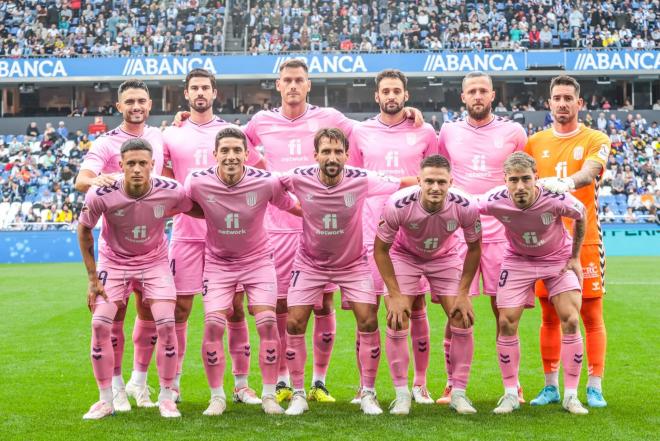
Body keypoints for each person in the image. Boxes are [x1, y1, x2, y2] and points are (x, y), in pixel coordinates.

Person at [242, 59, 424, 403]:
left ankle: (319, 382)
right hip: (280, 227)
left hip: (332, 226)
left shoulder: (332, 118)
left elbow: (373, 127)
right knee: (284, 307)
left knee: (325, 304)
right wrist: (262, 166)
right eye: (287, 80)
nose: (293, 85)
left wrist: (406, 114)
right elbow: (235, 141)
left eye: (299, 80)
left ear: (308, 84)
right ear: (278, 85)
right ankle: (283, 381)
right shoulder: (260, 121)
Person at [279, 128, 415, 416]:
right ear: (315, 155)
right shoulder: (298, 176)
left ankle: (368, 392)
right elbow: (268, 187)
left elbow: (402, 182)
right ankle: (299, 394)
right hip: (310, 262)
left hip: (352, 263)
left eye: (337, 151)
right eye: (326, 151)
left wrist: (433, 184)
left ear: (346, 154)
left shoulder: (361, 179)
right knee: (294, 322)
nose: (332, 157)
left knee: (367, 321)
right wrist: (292, 208)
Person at [162, 68, 263, 404]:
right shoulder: (171, 135)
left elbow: (260, 173)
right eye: (194, 88)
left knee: (234, 309)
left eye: (206, 87)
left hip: (230, 237)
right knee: (180, 310)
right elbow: (166, 185)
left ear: (215, 93)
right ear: (186, 95)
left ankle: (241, 384)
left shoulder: (232, 132)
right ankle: (172, 383)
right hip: (187, 236)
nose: (200, 92)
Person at [184, 127, 300, 416]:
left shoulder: (266, 182)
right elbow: (181, 204)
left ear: (247, 154)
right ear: (215, 155)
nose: (231, 156)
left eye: (237, 150)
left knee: (268, 324)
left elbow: (292, 205)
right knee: (213, 325)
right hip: (218, 264)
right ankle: (217, 397)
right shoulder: (197, 182)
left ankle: (270, 395)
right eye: (225, 150)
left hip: (258, 262)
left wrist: (320, 214)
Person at [78, 139, 193, 419]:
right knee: (100, 324)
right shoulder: (101, 193)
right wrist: (93, 278)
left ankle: (167, 397)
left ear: (153, 165)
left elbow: (195, 208)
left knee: (167, 323)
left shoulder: (171, 190)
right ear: (121, 166)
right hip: (114, 262)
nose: (138, 169)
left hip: (154, 263)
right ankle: (106, 399)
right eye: (131, 163)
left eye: (143, 163)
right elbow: (83, 231)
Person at [348, 69, 438, 404]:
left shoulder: (425, 131)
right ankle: (364, 385)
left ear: (406, 94)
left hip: (413, 233)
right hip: (371, 231)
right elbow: (354, 181)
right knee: (366, 310)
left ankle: (420, 382)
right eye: (385, 91)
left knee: (416, 307)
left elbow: (437, 179)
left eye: (397, 91)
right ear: (376, 96)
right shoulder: (360, 131)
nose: (391, 96)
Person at [437, 71, 528, 404]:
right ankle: (452, 384)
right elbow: (438, 174)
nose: (477, 96)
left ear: (493, 95)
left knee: (504, 313)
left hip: (503, 236)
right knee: (457, 313)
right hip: (459, 235)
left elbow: (527, 180)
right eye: (471, 91)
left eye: (483, 91)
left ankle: (513, 384)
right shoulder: (448, 132)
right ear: (462, 97)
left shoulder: (514, 132)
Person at [75, 79, 165, 411]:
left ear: (150, 104)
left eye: (141, 100)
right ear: (119, 107)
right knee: (115, 316)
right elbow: (82, 179)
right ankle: (114, 388)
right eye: (130, 102)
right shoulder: (106, 142)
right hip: (116, 249)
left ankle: (139, 383)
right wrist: (102, 179)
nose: (136, 106)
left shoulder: (158, 136)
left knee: (150, 312)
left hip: (153, 245)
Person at [525, 75, 610, 408]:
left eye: (567, 98)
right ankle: (550, 386)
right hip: (544, 243)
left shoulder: (595, 138)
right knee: (549, 316)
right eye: (556, 98)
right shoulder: (534, 143)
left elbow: (589, 173)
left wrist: (563, 183)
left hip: (584, 240)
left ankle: (595, 385)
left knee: (590, 314)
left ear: (580, 103)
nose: (562, 103)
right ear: (549, 104)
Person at [481, 152, 589, 415]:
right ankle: (510, 394)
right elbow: (463, 207)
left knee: (572, 320)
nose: (520, 186)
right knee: (506, 321)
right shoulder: (494, 199)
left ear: (536, 178)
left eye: (526, 179)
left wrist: (575, 256)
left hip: (557, 260)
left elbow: (581, 213)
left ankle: (571, 396)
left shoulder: (554, 197)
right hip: (518, 260)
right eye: (514, 180)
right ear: (505, 180)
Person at [374, 155, 482, 415]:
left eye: (441, 182)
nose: (435, 187)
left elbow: (475, 248)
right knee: (397, 317)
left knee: (462, 318)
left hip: (444, 257)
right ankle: (402, 396)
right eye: (430, 181)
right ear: (419, 181)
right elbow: (380, 250)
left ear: (451, 182)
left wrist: (464, 293)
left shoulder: (466, 205)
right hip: (404, 256)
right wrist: (396, 294)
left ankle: (458, 393)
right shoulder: (397, 204)